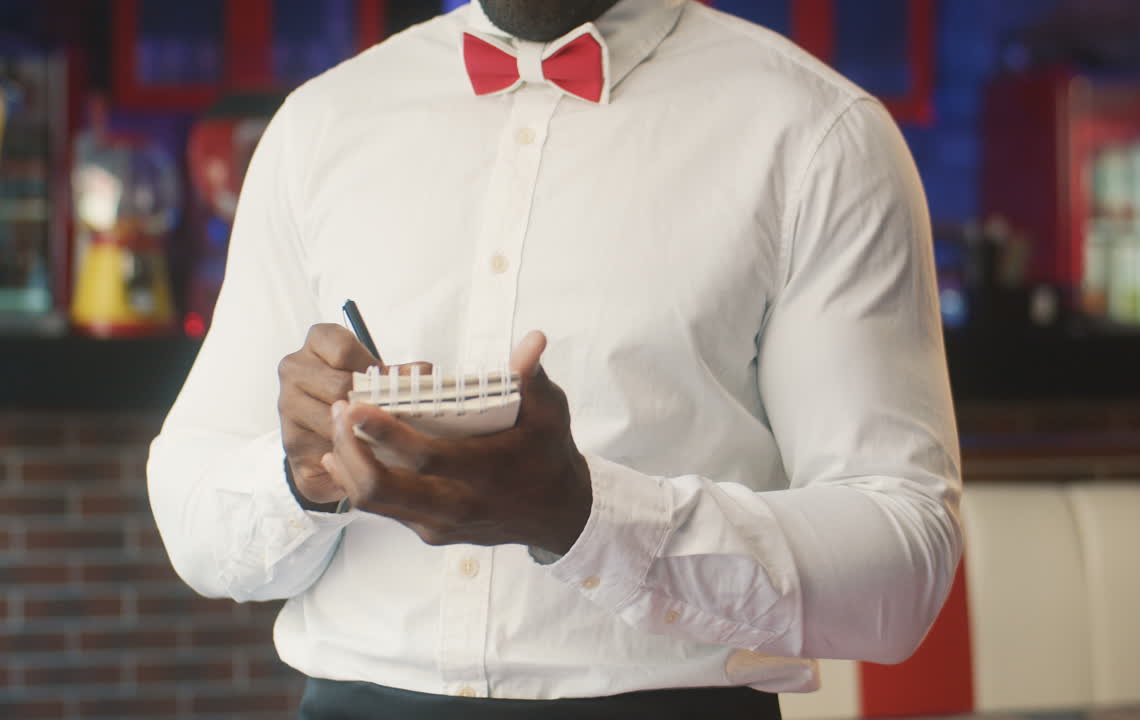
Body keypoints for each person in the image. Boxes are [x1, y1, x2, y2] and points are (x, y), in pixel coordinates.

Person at [147, 1, 963, 718]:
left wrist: (583, 516)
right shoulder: (318, 126)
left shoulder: (819, 136)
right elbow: (196, 527)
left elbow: (901, 569)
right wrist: (301, 478)